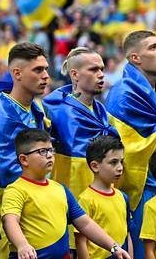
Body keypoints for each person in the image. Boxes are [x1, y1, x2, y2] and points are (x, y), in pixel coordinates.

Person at [106, 30, 156, 259]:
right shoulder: (121, 95)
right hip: (140, 188)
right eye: (153, 47)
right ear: (135, 58)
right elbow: (119, 148)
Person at [1, 128, 131, 259]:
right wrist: (22, 245)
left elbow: (85, 223)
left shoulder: (61, 189)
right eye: (42, 151)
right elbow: (10, 220)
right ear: (24, 159)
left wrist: (114, 247)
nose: (50, 155)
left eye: (51, 150)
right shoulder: (15, 190)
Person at [0, 42, 50, 258]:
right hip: (7, 213)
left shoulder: (33, 108)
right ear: (17, 73)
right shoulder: (2, 115)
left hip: (32, 208)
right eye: (38, 70)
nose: (46, 76)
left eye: (46, 69)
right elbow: (10, 172)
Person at [43, 47, 119, 199]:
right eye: (93, 69)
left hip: (103, 197)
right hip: (71, 200)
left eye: (102, 69)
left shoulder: (103, 112)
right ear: (75, 74)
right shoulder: (54, 110)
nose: (101, 75)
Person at [75, 136, 133, 259]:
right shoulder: (85, 200)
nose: (120, 168)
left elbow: (128, 235)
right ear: (95, 166)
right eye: (113, 162)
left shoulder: (123, 197)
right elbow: (81, 242)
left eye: (121, 161)